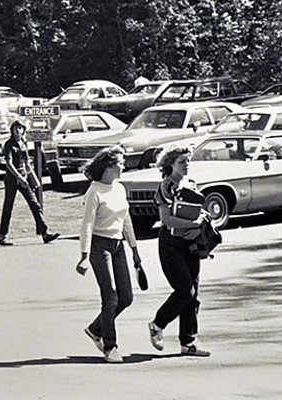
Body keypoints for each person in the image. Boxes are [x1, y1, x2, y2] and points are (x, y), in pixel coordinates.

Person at [76, 146, 142, 363]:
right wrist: (84, 255)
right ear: (109, 167)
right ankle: (109, 346)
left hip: (118, 245)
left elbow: (126, 220)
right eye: (121, 163)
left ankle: (96, 329)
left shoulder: (119, 189)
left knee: (126, 297)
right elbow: (87, 224)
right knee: (110, 297)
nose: (124, 166)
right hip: (99, 246)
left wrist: (135, 250)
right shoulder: (94, 191)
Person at [147, 147, 211, 357]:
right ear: (171, 164)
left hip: (191, 244)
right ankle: (158, 323)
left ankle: (188, 342)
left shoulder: (190, 184)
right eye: (182, 161)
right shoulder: (166, 187)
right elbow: (166, 219)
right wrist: (194, 223)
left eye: (187, 161)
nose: (186, 165)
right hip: (171, 243)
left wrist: (198, 227)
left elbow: (200, 211)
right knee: (185, 290)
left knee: (194, 295)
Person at [0, 120, 59, 246]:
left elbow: (26, 163)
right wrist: (19, 177)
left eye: (20, 128)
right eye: (15, 128)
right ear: (12, 130)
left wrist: (33, 178)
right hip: (12, 179)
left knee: (35, 204)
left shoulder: (23, 143)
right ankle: (3, 236)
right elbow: (9, 163)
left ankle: (45, 233)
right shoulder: (9, 144)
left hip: (24, 178)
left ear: (23, 130)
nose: (18, 130)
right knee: (8, 207)